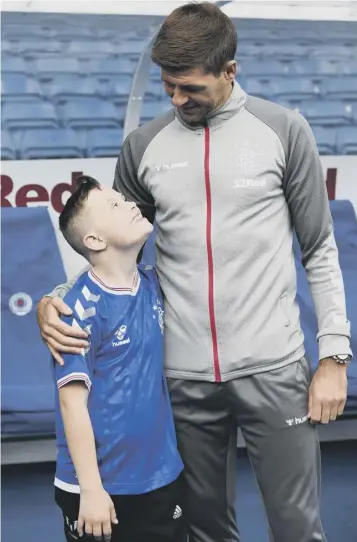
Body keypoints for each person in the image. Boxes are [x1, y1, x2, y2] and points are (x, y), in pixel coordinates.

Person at [37, 4, 352, 542]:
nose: (178, 100)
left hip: (274, 368)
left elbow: (320, 250)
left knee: (299, 528)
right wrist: (56, 297)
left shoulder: (284, 131)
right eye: (168, 88)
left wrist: (335, 357)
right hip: (182, 381)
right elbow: (112, 246)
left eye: (190, 89)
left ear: (229, 70)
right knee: (206, 531)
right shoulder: (144, 146)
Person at [51, 175, 186, 542]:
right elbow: (71, 404)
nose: (130, 204)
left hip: (161, 477)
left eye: (124, 199)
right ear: (94, 240)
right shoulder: (76, 309)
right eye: (114, 204)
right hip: (100, 490)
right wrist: (91, 491)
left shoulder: (154, 284)